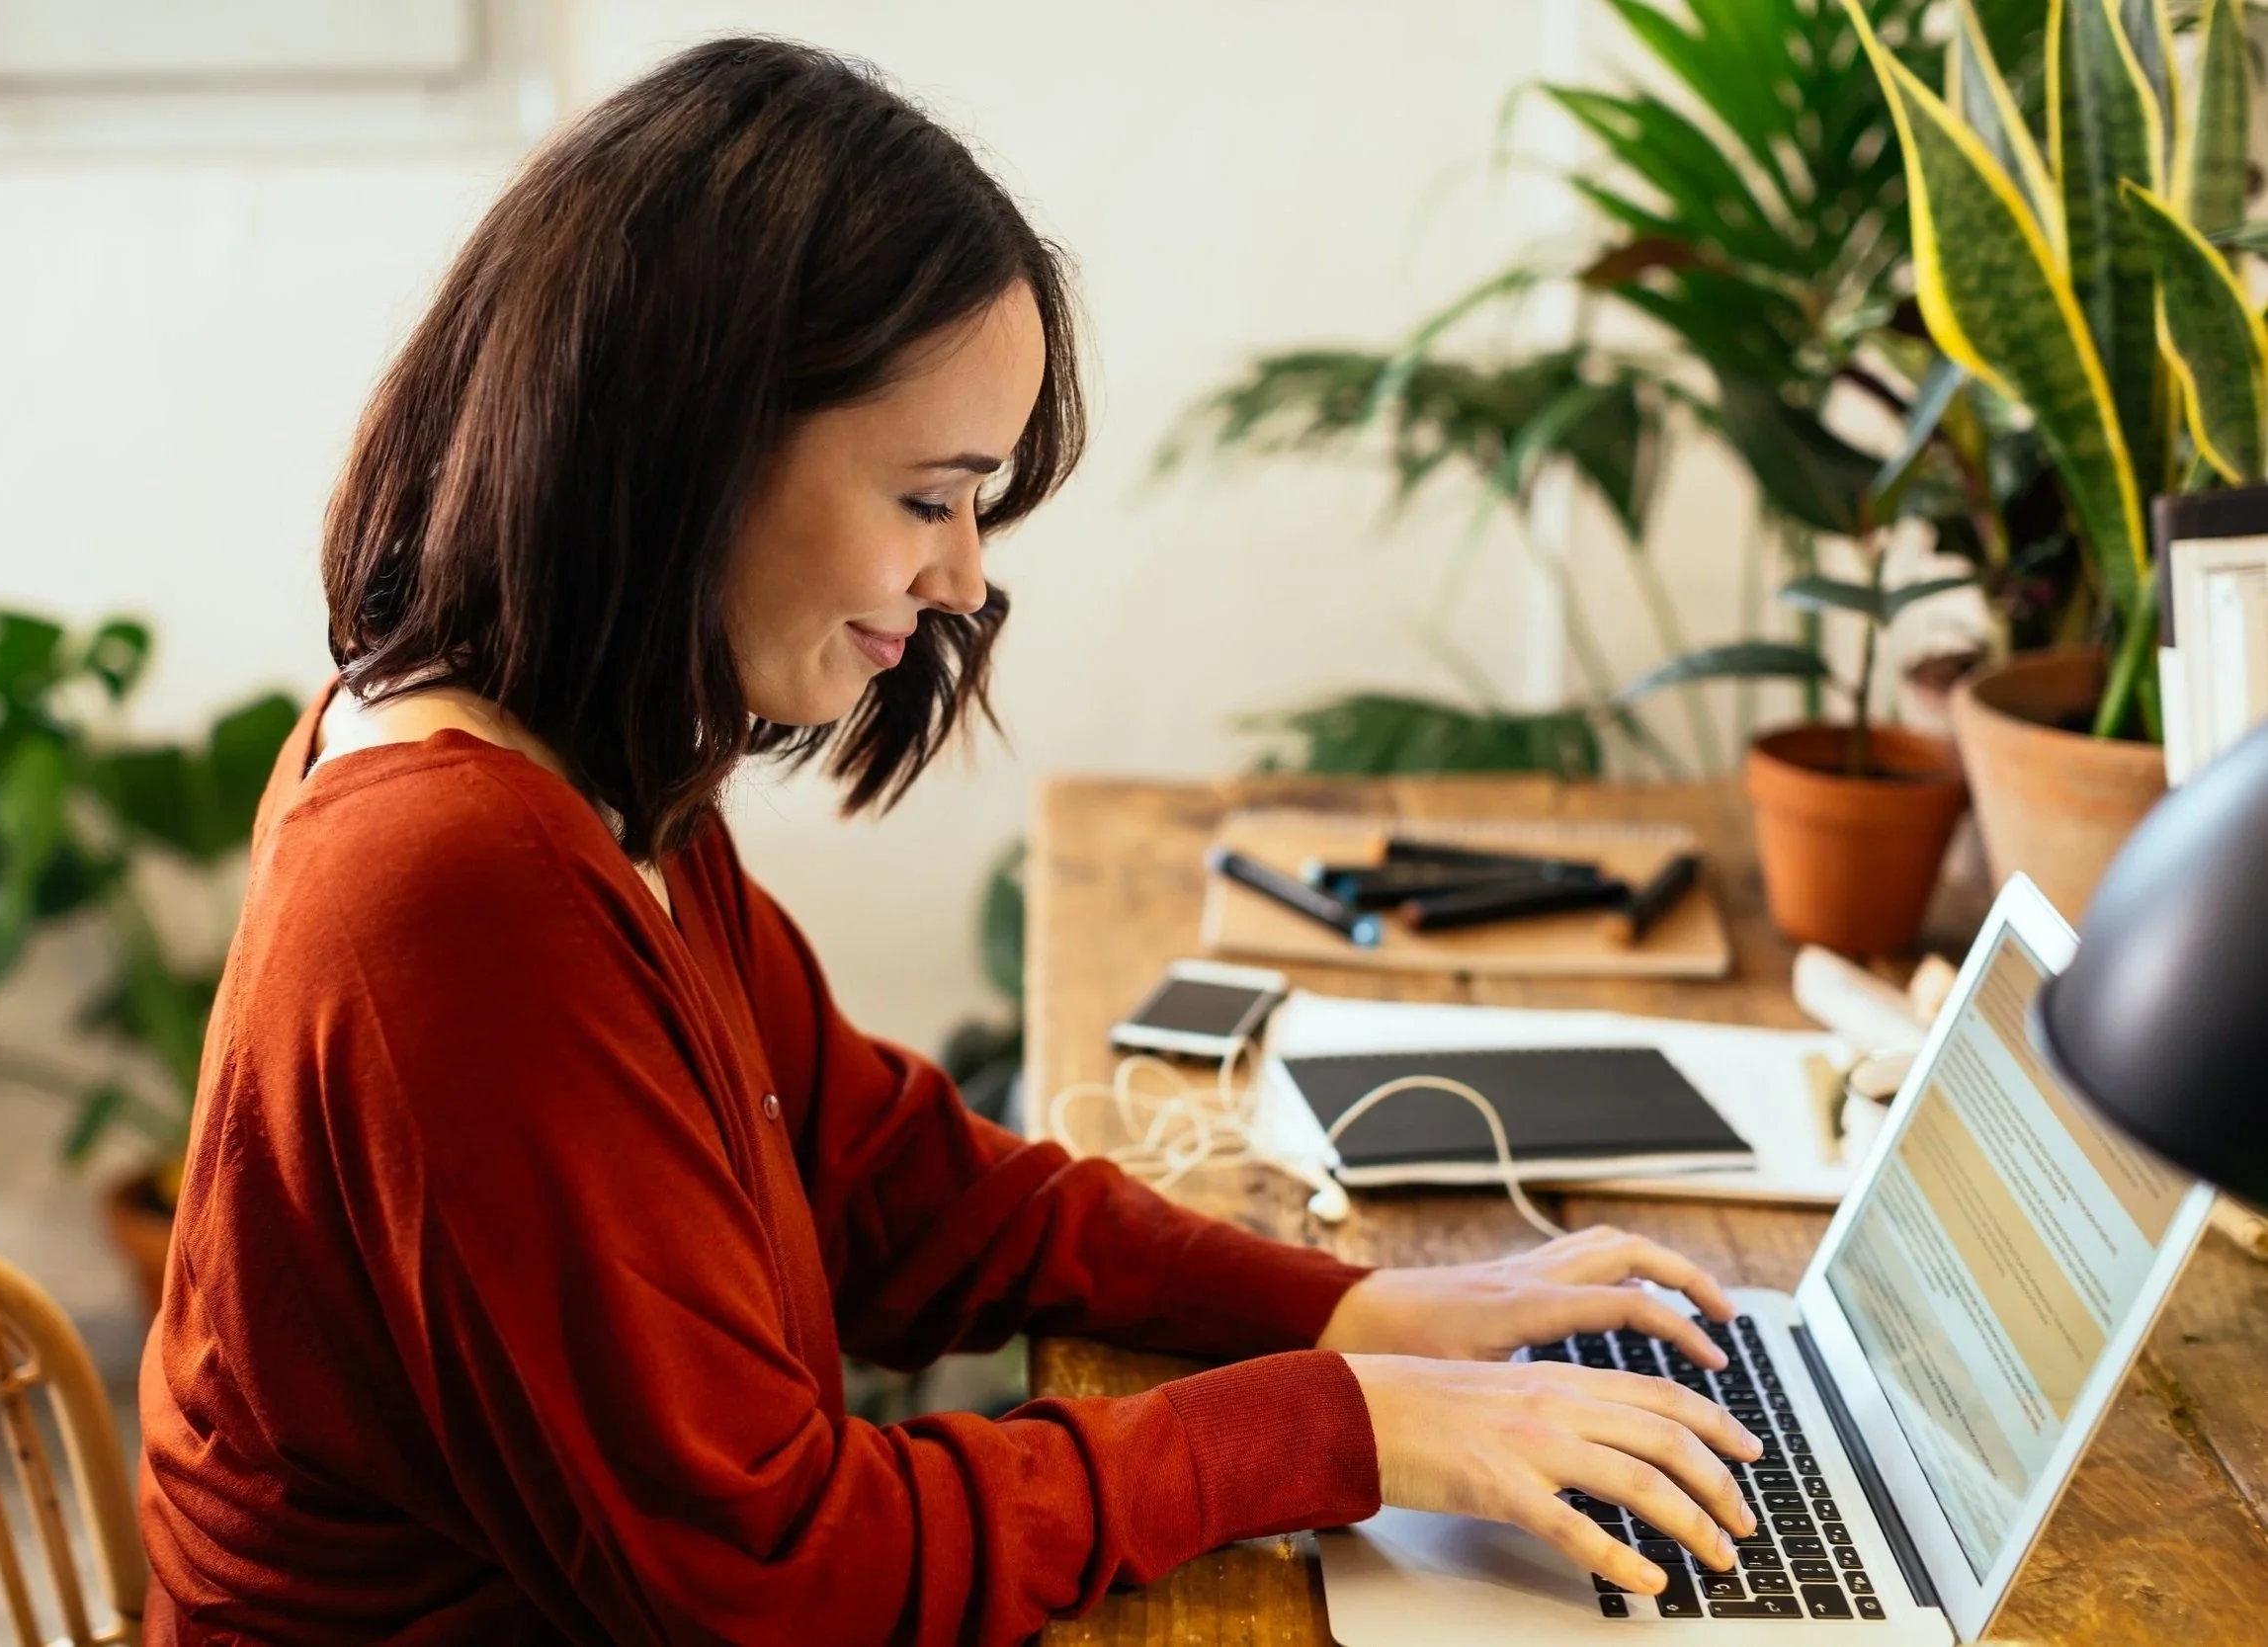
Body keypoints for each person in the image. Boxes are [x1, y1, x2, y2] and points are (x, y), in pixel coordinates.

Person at [138, 37, 1758, 1646]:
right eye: (932, 498)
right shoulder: (454, 884)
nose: (968, 577)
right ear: (697, 446)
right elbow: (777, 1569)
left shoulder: (578, 768)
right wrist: (1332, 1424)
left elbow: (883, 1183)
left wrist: (1346, 1310)